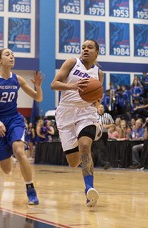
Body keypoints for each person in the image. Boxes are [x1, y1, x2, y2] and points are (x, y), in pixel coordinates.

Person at [0, 48, 43, 205]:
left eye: (13, 55)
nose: (11, 56)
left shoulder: (17, 79)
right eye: (8, 54)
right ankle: (5, 148)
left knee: (19, 151)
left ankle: (31, 190)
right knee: (7, 169)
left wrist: (38, 86)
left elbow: (38, 97)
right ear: (0, 60)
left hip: (14, 120)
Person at [50, 39, 103, 207]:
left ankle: (89, 190)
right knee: (73, 162)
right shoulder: (72, 62)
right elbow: (54, 84)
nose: (85, 49)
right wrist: (73, 86)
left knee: (85, 146)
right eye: (83, 47)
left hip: (86, 112)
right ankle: (85, 169)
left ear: (97, 52)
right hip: (66, 112)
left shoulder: (99, 73)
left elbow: (96, 96)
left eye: (90, 47)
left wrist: (98, 104)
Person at [96, 104, 114, 170]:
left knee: (103, 149)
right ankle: (104, 163)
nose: (100, 108)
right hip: (97, 134)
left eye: (102, 107)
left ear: (104, 109)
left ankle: (104, 163)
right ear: (97, 109)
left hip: (105, 134)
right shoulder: (94, 115)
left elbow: (113, 124)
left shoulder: (108, 115)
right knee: (101, 147)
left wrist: (107, 126)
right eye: (99, 107)